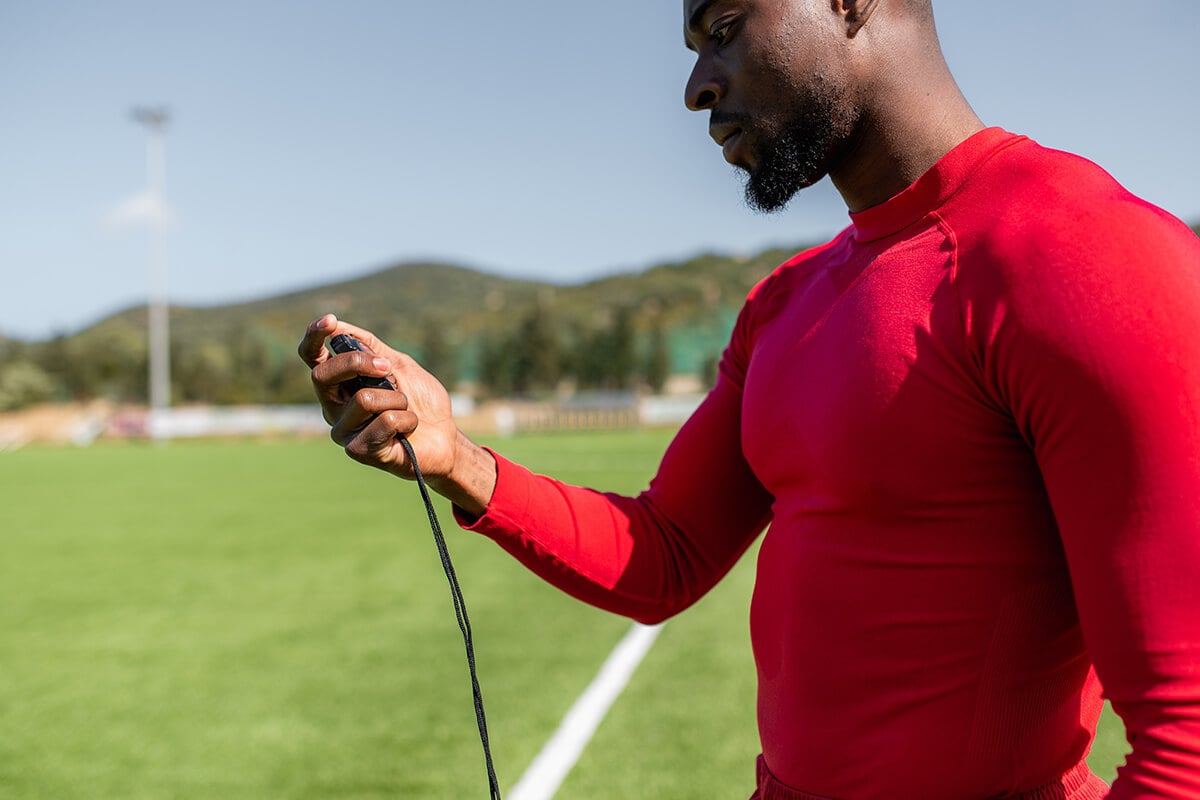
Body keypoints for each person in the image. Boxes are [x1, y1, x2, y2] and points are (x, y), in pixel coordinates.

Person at [298, 1, 1200, 797]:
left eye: (723, 30)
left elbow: (1184, 742)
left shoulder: (1086, 258)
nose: (694, 87)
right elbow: (665, 554)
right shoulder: (787, 303)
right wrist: (454, 455)